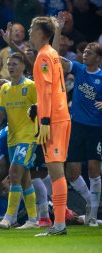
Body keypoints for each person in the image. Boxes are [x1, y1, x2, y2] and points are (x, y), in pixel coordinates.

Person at [29, 16, 71, 236]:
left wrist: (43, 119)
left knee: (55, 170)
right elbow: (52, 89)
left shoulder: (43, 56)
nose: (28, 31)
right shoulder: (52, 53)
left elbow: (46, 90)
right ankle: (60, 223)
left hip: (53, 119)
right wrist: (38, 108)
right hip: (60, 114)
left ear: (40, 33)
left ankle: (60, 224)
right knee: (56, 170)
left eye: (31, 28)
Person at [0, 53, 38, 230]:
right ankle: (33, 219)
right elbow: (0, 114)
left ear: (22, 67)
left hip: (28, 137)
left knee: (13, 174)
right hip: (12, 138)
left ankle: (9, 217)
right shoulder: (5, 89)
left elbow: (42, 108)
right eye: (8, 64)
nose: (10, 67)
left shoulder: (31, 86)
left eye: (14, 64)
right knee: (25, 179)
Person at [60, 42, 102, 227]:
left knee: (94, 169)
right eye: (84, 51)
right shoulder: (78, 69)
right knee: (72, 172)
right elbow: (57, 60)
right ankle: (89, 202)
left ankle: (92, 215)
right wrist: (57, 31)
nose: (85, 54)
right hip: (76, 126)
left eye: (89, 52)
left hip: (96, 128)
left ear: (98, 58)